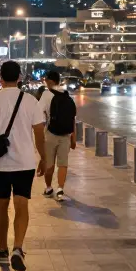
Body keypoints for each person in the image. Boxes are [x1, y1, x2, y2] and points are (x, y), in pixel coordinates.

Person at [0, 61, 46, 271]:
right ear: (20, 77)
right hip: (25, 162)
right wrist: (44, 158)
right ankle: (18, 248)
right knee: (22, 205)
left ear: (0, 78)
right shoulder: (31, 101)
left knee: (2, 205)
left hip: (0, 164)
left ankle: (3, 248)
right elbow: (39, 134)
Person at [39, 71, 77, 202]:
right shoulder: (65, 93)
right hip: (66, 134)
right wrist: (73, 136)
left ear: (49, 81)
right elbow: (72, 117)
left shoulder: (46, 94)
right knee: (63, 163)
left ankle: (49, 188)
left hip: (50, 133)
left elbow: (40, 116)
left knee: (49, 162)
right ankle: (60, 188)